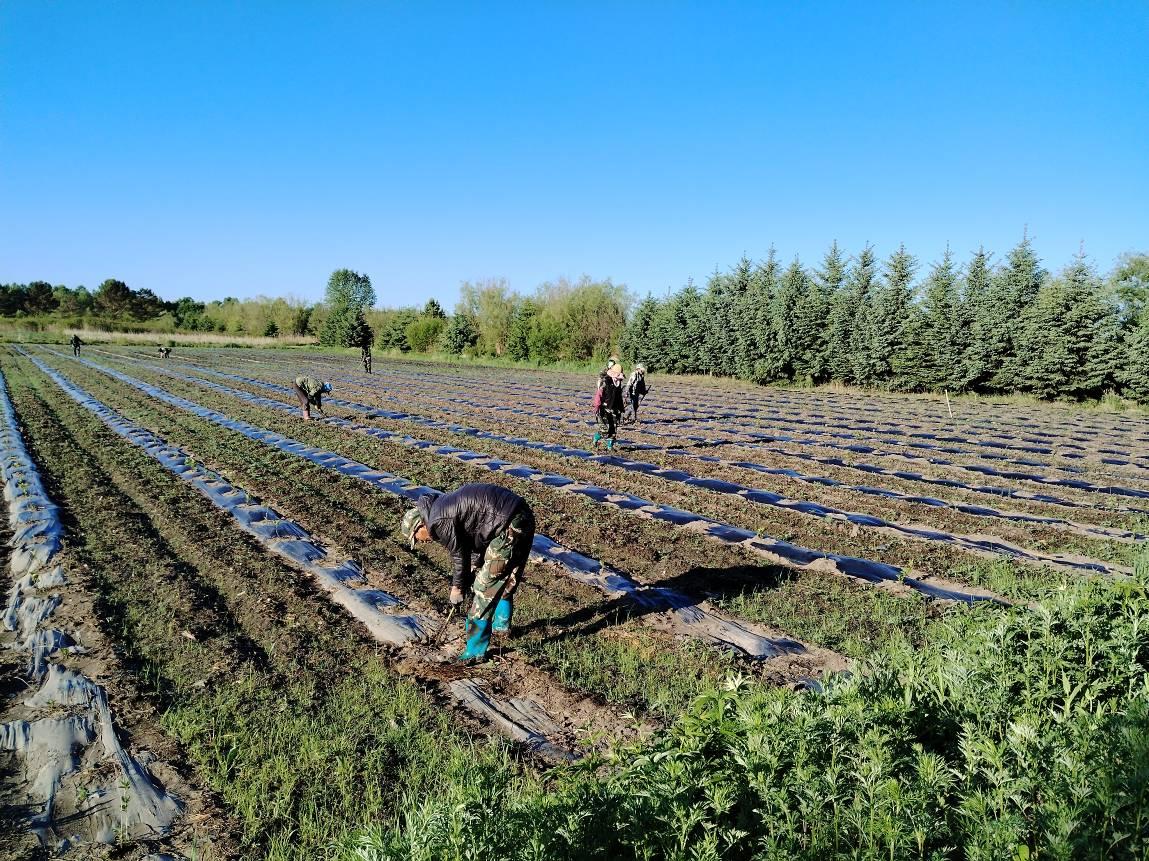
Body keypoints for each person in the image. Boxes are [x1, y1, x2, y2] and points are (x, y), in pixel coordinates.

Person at [402, 483, 535, 662]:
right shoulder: (440, 508)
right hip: (522, 515)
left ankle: (474, 652)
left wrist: (457, 588)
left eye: (416, 538)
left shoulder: (437, 521)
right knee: (505, 575)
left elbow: (459, 555)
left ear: (419, 526)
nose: (421, 542)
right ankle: (501, 628)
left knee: (484, 588)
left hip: (508, 525)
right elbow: (473, 540)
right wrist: (472, 568)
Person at [593, 360, 625, 450]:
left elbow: (619, 397)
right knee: (605, 430)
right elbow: (599, 394)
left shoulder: (618, 383)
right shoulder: (606, 381)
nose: (619, 377)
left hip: (615, 408)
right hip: (604, 408)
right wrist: (597, 406)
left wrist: (621, 408)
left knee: (613, 429)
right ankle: (595, 439)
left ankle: (610, 447)